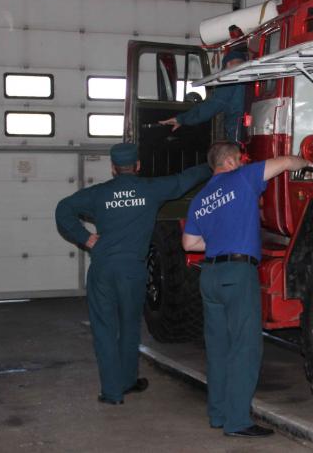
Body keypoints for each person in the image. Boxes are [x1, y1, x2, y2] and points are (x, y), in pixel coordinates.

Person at [55, 142, 211, 405]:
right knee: (129, 327)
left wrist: (86, 238)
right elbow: (185, 180)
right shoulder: (151, 189)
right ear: (138, 165)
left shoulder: (98, 194)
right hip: (132, 271)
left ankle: (112, 392)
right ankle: (128, 381)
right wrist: (211, 164)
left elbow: (63, 209)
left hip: (103, 269)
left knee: (104, 330)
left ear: (113, 167)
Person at [182, 141, 308, 437]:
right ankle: (237, 422)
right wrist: (307, 162)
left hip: (210, 275)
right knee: (245, 348)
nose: (243, 162)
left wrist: (218, 242)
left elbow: (189, 244)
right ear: (232, 160)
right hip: (237, 275)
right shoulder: (242, 176)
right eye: (240, 158)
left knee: (218, 349)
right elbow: (287, 162)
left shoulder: (200, 198)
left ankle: (218, 414)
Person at [159, 50, 248, 143]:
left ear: (228, 64)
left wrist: (181, 119)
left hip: (239, 134)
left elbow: (210, 107)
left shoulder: (230, 80)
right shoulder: (253, 75)